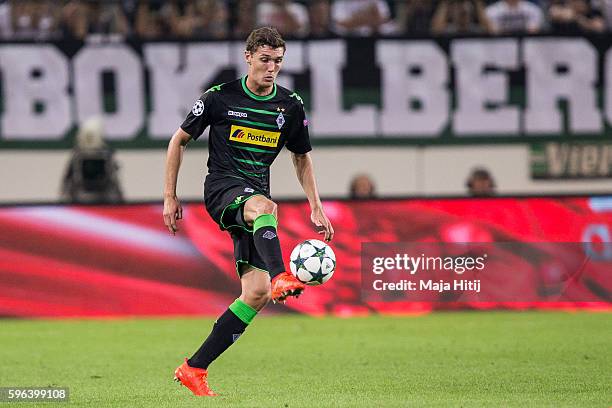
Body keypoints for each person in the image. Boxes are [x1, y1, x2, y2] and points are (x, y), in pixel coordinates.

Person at [163, 27, 334, 397]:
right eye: (265, 60)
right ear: (248, 57)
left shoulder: (289, 106)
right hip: (222, 189)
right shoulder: (220, 98)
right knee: (265, 208)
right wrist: (169, 196)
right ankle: (281, 275)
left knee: (254, 294)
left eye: (278, 61)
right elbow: (178, 141)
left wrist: (316, 206)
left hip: (255, 202)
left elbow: (301, 156)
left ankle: (194, 368)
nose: (271, 68)